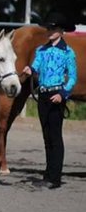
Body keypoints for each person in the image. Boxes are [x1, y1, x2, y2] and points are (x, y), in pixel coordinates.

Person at [22, 13, 77, 189]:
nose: (49, 31)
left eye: (53, 28)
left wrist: (63, 94)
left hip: (56, 95)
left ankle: (55, 177)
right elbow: (36, 66)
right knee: (47, 136)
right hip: (43, 95)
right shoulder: (41, 50)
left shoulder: (68, 53)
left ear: (61, 31)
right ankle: (48, 174)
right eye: (48, 28)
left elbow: (72, 78)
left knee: (55, 136)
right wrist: (29, 69)